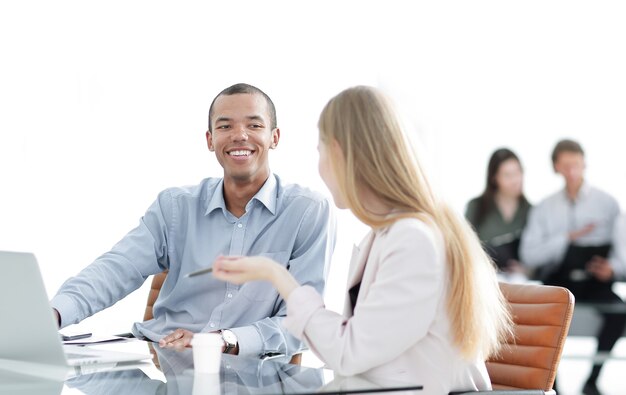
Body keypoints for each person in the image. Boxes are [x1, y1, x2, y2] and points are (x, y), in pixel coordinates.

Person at [211, 86, 513, 393]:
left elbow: (349, 354)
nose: (320, 167)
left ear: (342, 154)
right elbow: (359, 348)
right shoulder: (387, 236)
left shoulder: (413, 240)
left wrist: (276, 275)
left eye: (321, 152)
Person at [51, 83, 336, 358]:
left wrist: (223, 341)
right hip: (160, 359)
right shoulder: (175, 206)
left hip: (247, 372)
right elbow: (116, 269)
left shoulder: (307, 212)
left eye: (254, 125)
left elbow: (303, 323)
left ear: (274, 137)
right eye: (225, 126)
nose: (239, 135)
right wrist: (54, 313)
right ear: (210, 140)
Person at [520, 139, 626, 395]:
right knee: (540, 315)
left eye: (576, 165)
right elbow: (529, 254)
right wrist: (567, 238)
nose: (572, 172)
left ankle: (592, 379)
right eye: (566, 166)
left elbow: (622, 252)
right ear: (556, 167)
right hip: (559, 280)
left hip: (594, 281)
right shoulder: (545, 208)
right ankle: (551, 383)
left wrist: (611, 268)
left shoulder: (608, 204)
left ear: (584, 164)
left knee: (620, 312)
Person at [465, 148, 531, 275]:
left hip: (521, 284)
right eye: (507, 175)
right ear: (494, 178)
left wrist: (527, 270)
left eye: (518, 173)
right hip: (484, 279)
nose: (515, 180)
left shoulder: (531, 211)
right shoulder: (476, 207)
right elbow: (465, 247)